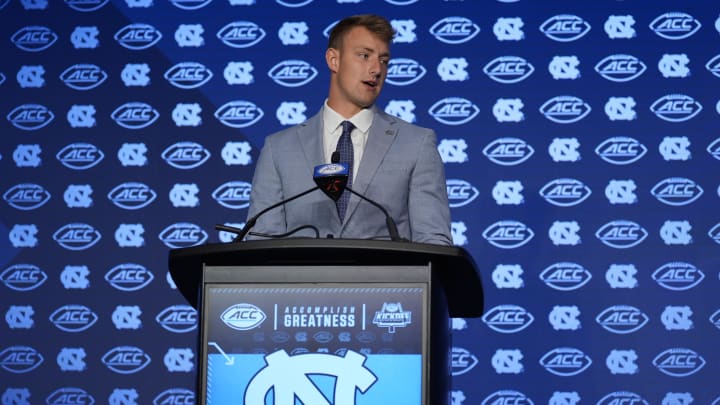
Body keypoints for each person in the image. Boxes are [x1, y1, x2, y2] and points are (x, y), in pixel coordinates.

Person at [245, 14, 452, 245]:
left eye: (384, 60)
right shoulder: (279, 148)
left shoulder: (416, 143)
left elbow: (433, 243)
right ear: (334, 60)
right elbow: (261, 243)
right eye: (364, 56)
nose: (376, 69)